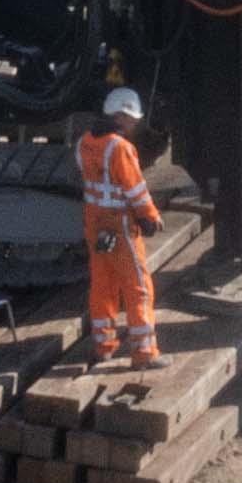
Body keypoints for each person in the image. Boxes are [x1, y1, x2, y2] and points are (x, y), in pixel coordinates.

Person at [74, 86, 163, 368]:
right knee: (138, 288)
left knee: (102, 285)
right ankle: (145, 353)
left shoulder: (84, 142)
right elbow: (135, 188)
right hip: (120, 225)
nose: (135, 123)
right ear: (122, 116)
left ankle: (103, 346)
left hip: (94, 224)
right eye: (133, 119)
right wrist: (149, 216)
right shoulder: (120, 148)